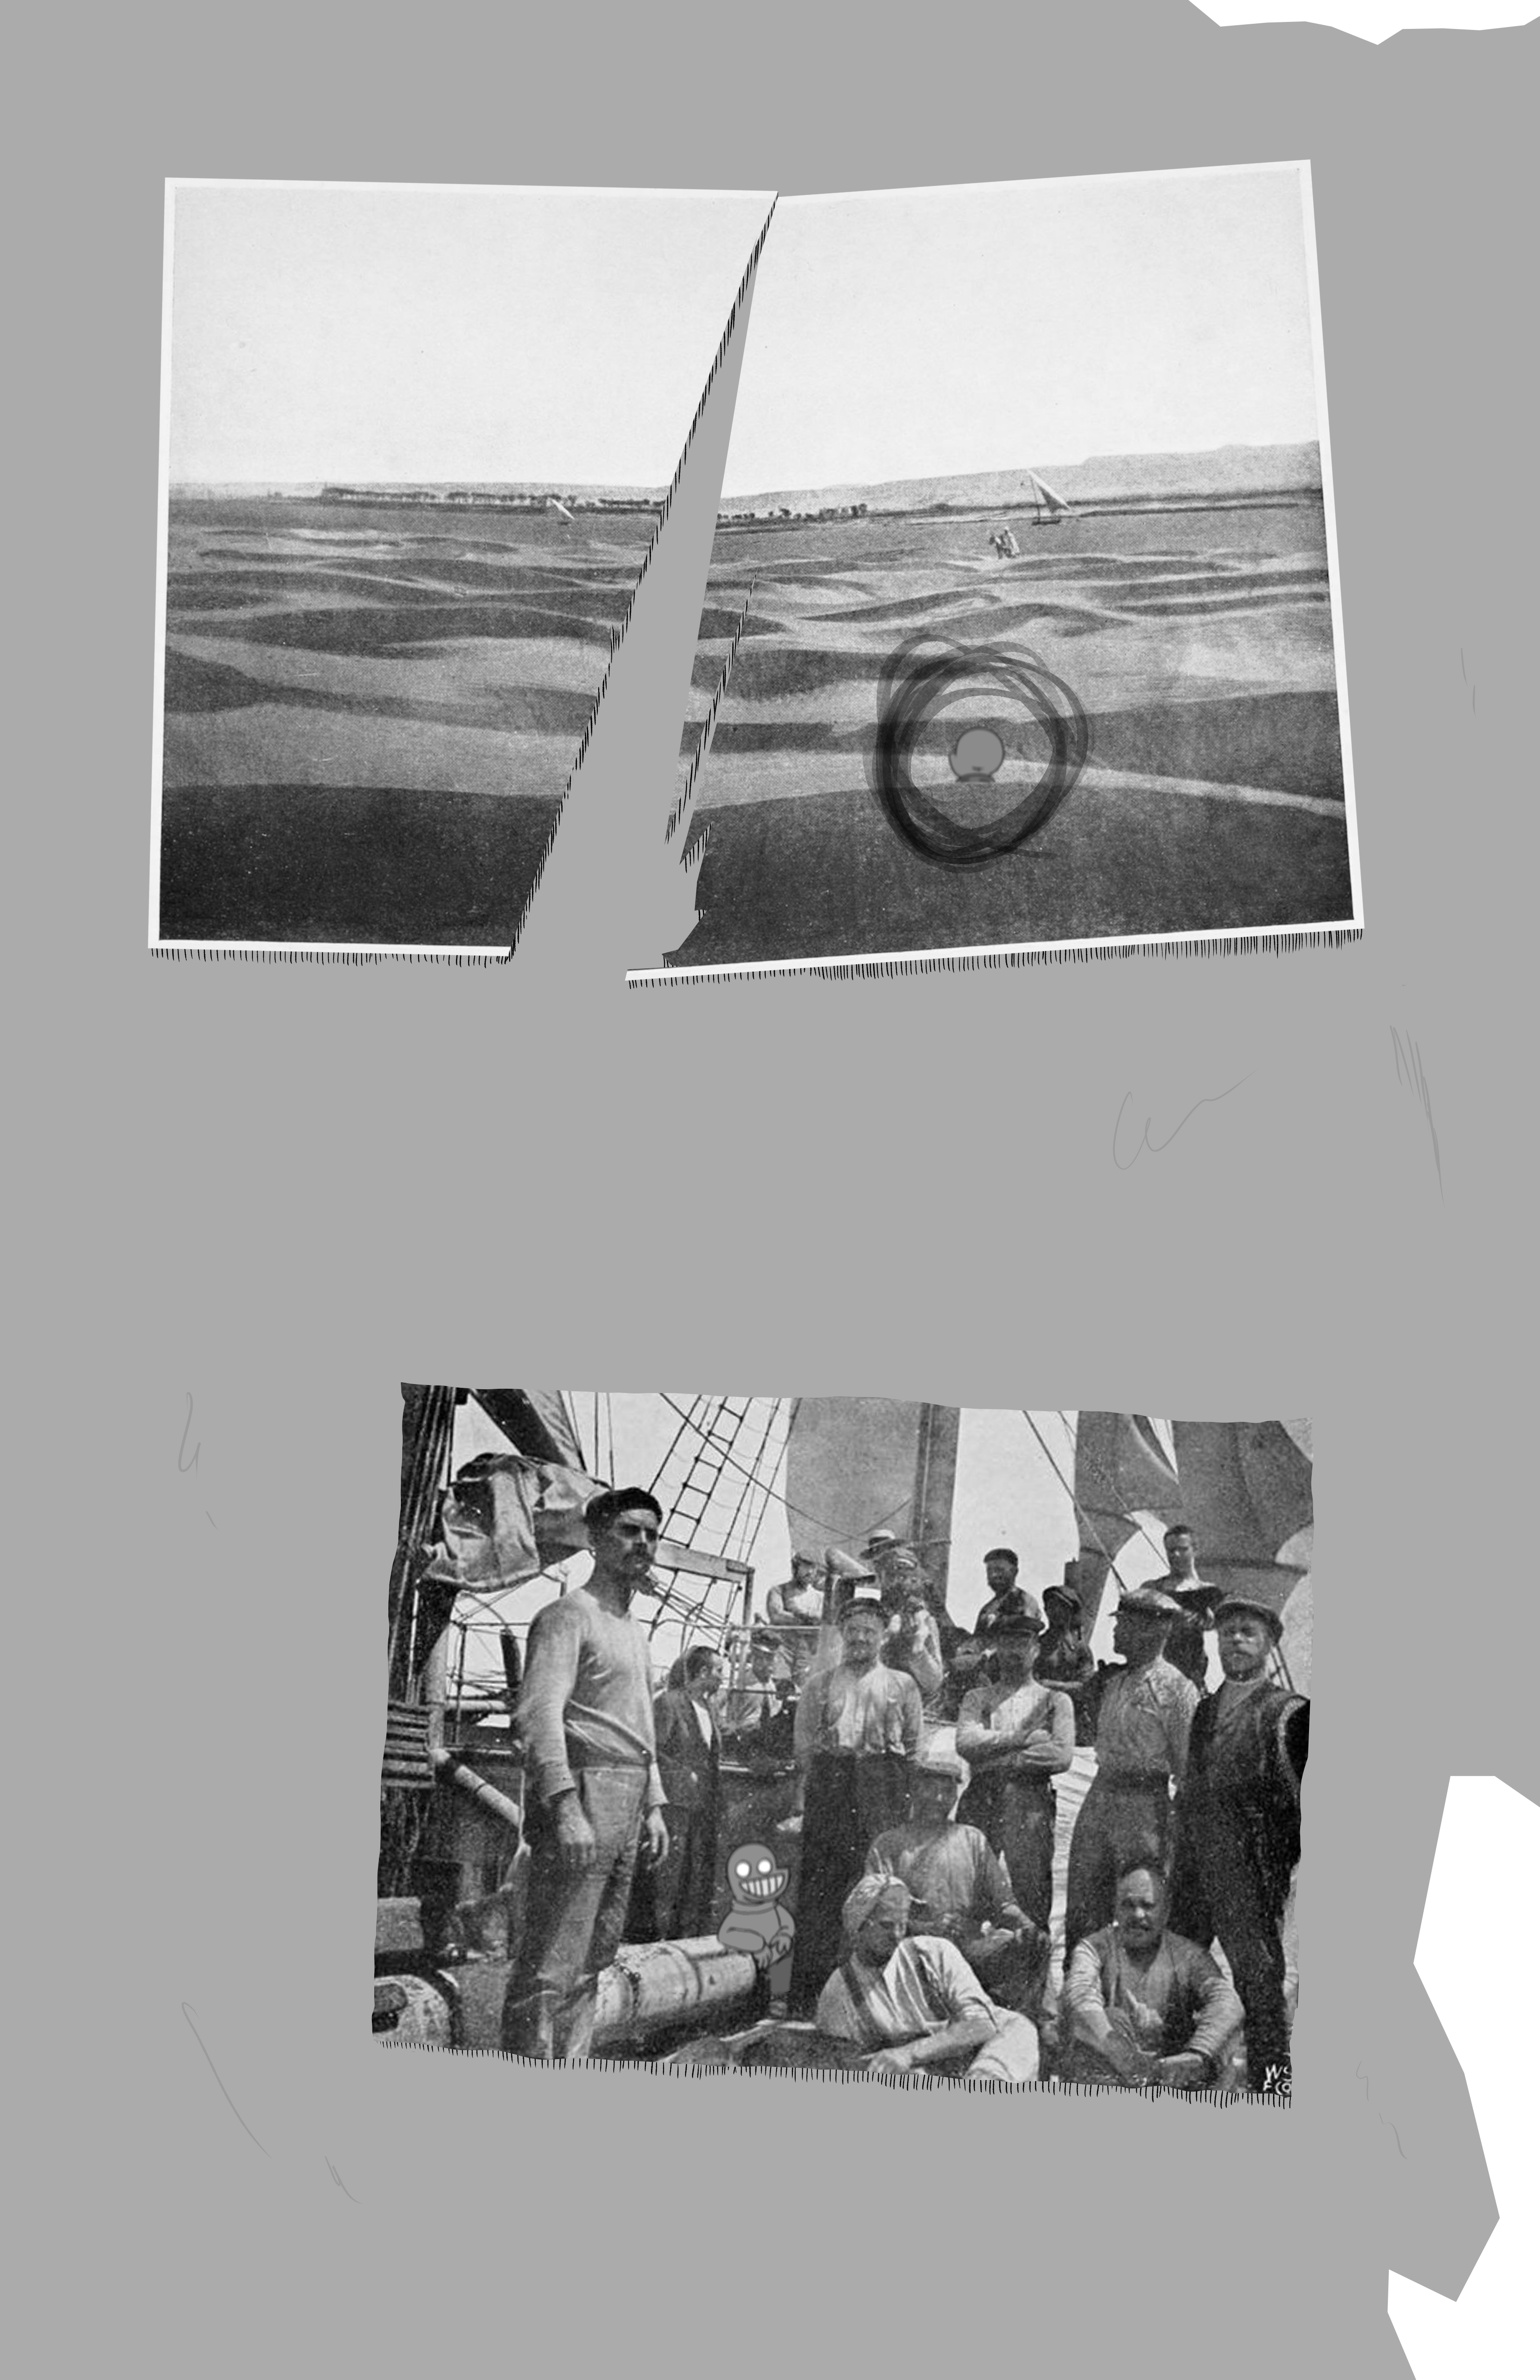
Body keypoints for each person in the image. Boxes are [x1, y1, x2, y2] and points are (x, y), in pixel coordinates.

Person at [500, 1488, 670, 2060]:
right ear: (595, 1540)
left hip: (628, 1798)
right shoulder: (567, 1617)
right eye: (628, 1531)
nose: (642, 1543)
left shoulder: (634, 1631)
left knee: (595, 1960)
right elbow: (539, 1716)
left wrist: (654, 1807)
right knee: (552, 1962)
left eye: (650, 1533)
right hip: (586, 1793)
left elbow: (640, 1727)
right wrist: (566, 1807)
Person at [1169, 1593, 1309, 2093]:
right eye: (1228, 1632)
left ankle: (1273, 2086)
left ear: (1270, 1645)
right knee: (1181, 1971)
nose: (1236, 1641)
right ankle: (1180, 2076)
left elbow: (1302, 1806)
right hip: (1194, 1865)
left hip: (1249, 1870)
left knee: (1260, 1986)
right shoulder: (1205, 1710)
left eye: (1249, 1633)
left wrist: (1276, 1865)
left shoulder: (1291, 1713)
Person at [785, 1588, 924, 2013]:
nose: (860, 1638)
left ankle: (877, 2000)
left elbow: (915, 1750)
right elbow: (804, 1747)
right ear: (843, 1635)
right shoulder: (820, 1685)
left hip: (883, 1787)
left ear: (883, 1636)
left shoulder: (902, 1685)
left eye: (869, 1631)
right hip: (832, 1786)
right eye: (853, 1631)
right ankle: (810, 1997)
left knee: (879, 1888)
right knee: (821, 1893)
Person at [1063, 1585, 1198, 1955]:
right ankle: (1081, 1985)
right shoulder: (1115, 1682)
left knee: (1139, 1900)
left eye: (1125, 1624)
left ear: (1154, 1631)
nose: (1116, 1631)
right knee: (1084, 1897)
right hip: (1101, 1794)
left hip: (1145, 1806)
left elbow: (1186, 1769)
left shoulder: (1178, 1691)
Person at [865, 1744, 1048, 2017]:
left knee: (1033, 1944)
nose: (938, 1798)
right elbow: (874, 1911)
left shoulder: (971, 1839)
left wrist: (1027, 1927)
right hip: (913, 1951)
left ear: (955, 1796)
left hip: (967, 1949)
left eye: (947, 1791)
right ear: (914, 1789)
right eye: (929, 1788)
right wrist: (925, 1928)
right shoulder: (889, 1844)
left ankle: (1018, 2019)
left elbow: (1004, 1903)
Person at [815, 1875, 1040, 2081]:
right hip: (919, 2074)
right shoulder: (839, 1992)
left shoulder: (933, 1952)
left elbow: (981, 2026)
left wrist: (908, 2053)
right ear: (858, 1927)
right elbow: (842, 2067)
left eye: (902, 1924)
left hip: (978, 2060)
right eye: (886, 1926)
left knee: (1019, 2030)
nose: (896, 1935)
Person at [954, 1587, 1074, 1937]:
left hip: (1030, 1800)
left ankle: (1033, 1978)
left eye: (1022, 1644)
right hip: (981, 1796)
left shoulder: (1055, 1700)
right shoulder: (979, 1697)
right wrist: (1022, 1739)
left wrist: (1000, 1755)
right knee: (972, 1887)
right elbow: (966, 1743)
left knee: (1031, 1892)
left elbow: (1061, 1754)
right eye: (1006, 1644)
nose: (1013, 1653)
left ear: (1036, 1650)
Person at [1060, 1863, 1242, 2089]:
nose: (1138, 1915)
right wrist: (1124, 2054)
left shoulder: (1187, 1954)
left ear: (1166, 1913)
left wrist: (1198, 2053)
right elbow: (1079, 1997)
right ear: (1115, 1909)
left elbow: (1227, 2000)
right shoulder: (1096, 1948)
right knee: (1112, 2019)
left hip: (1172, 2070)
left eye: (1148, 1906)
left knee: (1218, 2055)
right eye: (1128, 1905)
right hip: (1116, 2067)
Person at [646, 1643, 725, 1939]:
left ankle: (685, 1937)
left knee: (697, 1872)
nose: (721, 1678)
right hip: (676, 1802)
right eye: (718, 1671)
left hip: (704, 1804)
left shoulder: (709, 1708)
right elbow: (653, 1750)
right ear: (703, 1672)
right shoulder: (669, 1703)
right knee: (671, 1872)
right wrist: (683, 1775)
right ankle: (658, 1935)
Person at [1155, 1525, 1221, 1692]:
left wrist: (1210, 1623)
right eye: (1171, 1550)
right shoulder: (1154, 1588)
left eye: (1183, 1550)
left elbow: (1221, 1628)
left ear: (1195, 1550)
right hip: (1157, 1674)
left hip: (1191, 1676)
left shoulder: (1209, 1592)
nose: (1176, 1555)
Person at [884, 1584, 945, 1717]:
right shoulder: (891, 1632)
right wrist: (888, 1636)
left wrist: (920, 1638)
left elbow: (934, 1683)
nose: (909, 1616)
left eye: (916, 1609)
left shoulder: (928, 1624)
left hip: (922, 1709)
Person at [765, 1554, 828, 1684]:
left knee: (805, 1687)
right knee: (780, 1684)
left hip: (808, 1649)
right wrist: (808, 1618)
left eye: (813, 1568)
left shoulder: (820, 1597)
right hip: (783, 1646)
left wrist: (799, 1614)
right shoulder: (778, 1591)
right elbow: (776, 1615)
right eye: (805, 1567)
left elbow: (823, 1619)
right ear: (795, 1568)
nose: (810, 1572)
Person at [972, 1547, 1024, 1644]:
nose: (994, 1575)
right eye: (990, 1571)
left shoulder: (1024, 1602)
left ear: (1015, 1572)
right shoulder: (987, 1610)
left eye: (1000, 1570)